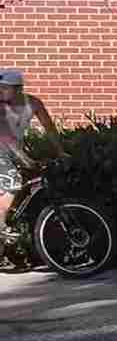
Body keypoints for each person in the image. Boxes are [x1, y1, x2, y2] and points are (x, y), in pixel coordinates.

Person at [0, 69, 58, 235]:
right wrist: (25, 159)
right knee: (14, 180)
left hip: (11, 153)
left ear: (19, 89)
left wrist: (60, 151)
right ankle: (1, 226)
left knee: (25, 181)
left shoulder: (33, 103)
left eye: (5, 88)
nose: (0, 91)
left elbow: (50, 128)